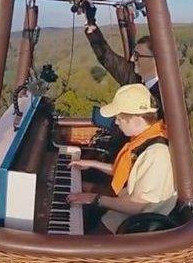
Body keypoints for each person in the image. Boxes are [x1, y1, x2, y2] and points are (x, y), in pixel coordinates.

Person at [67, 84, 177, 234]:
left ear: (137, 119)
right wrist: (92, 164)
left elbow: (136, 207)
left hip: (134, 226)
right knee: (81, 189)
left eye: (120, 118)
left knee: (84, 233)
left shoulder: (156, 155)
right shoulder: (144, 139)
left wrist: (93, 198)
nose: (116, 123)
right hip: (126, 209)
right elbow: (126, 171)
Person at [82, 1, 162, 112]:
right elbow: (107, 58)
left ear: (155, 60)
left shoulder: (166, 94)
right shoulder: (134, 79)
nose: (132, 59)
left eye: (137, 55)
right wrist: (91, 24)